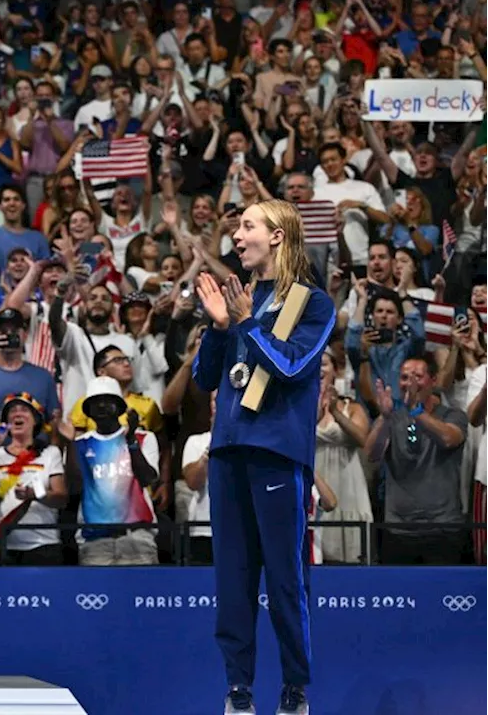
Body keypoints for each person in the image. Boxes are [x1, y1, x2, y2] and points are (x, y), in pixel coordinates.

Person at [192, 199, 335, 715]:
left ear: (277, 236)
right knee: (232, 581)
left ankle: (295, 689)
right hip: (228, 452)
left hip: (277, 454)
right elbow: (206, 379)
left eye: (247, 225)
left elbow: (293, 367)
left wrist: (247, 323)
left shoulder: (312, 303)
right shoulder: (240, 297)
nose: (236, 234)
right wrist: (217, 327)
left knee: (284, 579)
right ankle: (238, 691)